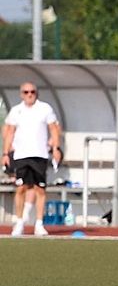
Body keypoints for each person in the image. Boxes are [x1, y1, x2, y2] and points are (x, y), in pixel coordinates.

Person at [2, 82, 62, 237]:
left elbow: (54, 128)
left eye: (32, 92)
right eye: (26, 92)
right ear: (21, 94)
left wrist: (55, 148)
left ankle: (39, 224)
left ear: (36, 93)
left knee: (39, 189)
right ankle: (19, 222)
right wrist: (5, 153)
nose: (29, 94)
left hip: (40, 154)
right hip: (21, 155)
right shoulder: (16, 111)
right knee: (21, 188)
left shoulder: (45, 109)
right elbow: (9, 131)